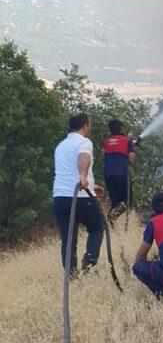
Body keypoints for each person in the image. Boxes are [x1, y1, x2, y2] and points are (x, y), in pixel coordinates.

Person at [52, 112, 105, 273]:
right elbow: (83, 158)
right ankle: (88, 262)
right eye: (89, 125)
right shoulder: (84, 142)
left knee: (68, 239)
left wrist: (91, 185)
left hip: (60, 197)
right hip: (79, 197)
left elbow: (67, 170)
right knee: (97, 227)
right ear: (84, 126)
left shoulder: (61, 145)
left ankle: (71, 275)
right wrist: (83, 177)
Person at [103, 118, 137, 216]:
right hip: (122, 174)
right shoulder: (127, 141)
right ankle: (112, 217)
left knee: (115, 203)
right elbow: (131, 160)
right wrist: (132, 148)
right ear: (121, 129)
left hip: (108, 175)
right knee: (127, 202)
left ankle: (111, 225)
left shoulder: (106, 142)